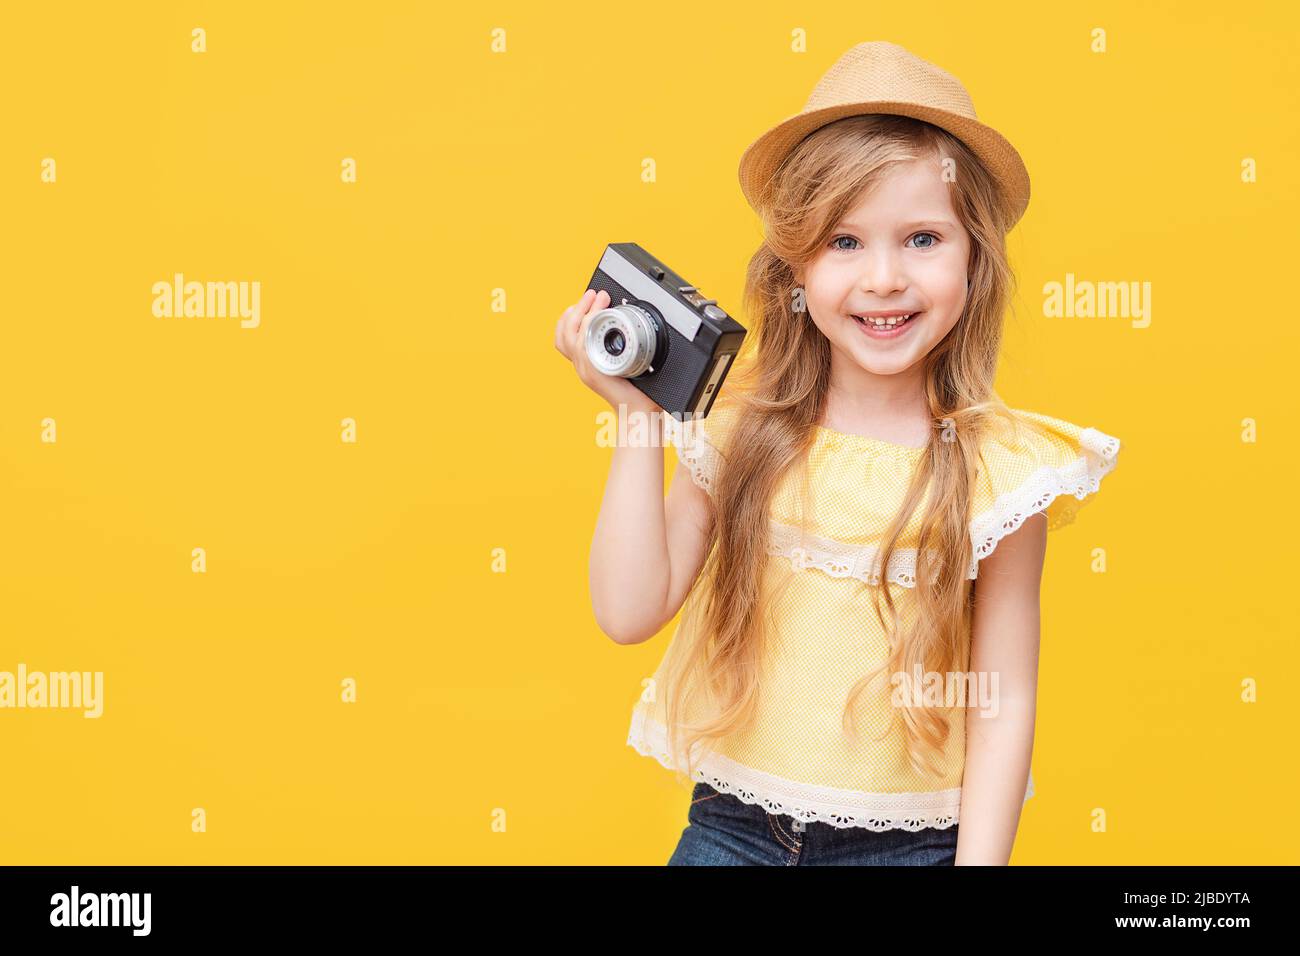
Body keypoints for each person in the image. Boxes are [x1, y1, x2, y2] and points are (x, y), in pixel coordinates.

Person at [554, 41, 1121, 865]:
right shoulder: (744, 429)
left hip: (914, 849)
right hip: (733, 832)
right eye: (845, 242)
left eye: (923, 239)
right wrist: (638, 418)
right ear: (796, 265)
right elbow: (628, 609)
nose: (884, 278)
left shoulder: (1002, 470)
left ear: (976, 259)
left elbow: (1002, 699)